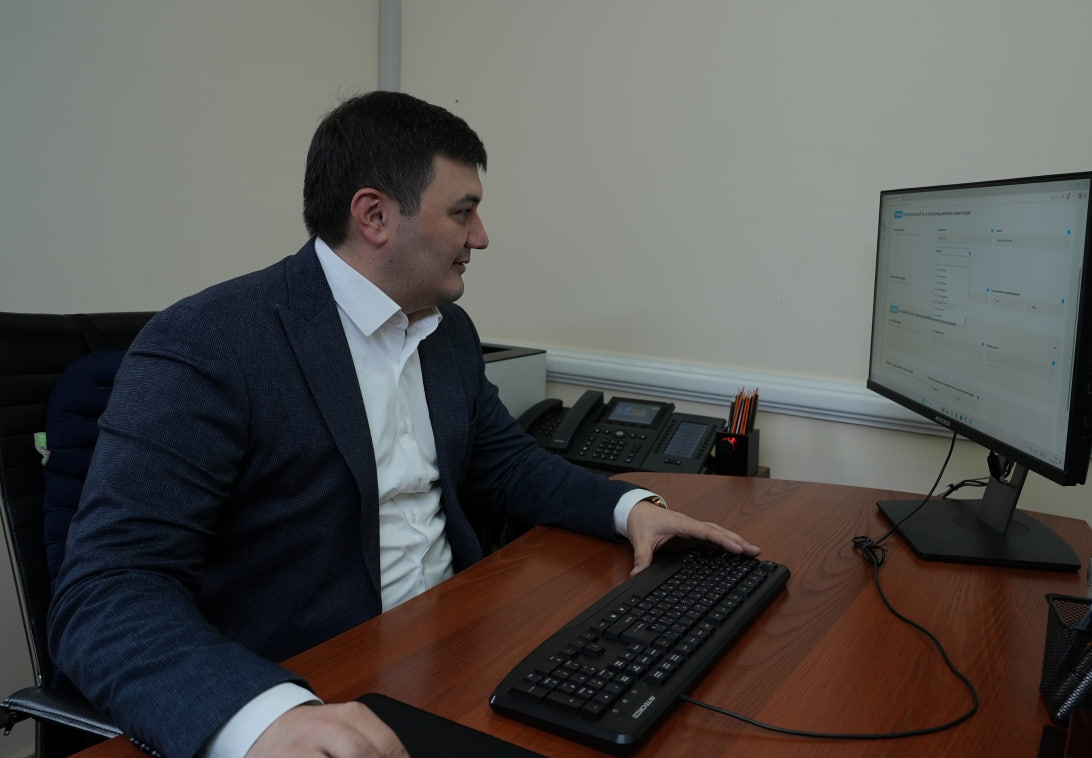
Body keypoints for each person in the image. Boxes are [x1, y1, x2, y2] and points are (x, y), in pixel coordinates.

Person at [48, 91, 760, 758]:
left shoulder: (446, 331)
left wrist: (630, 509)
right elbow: (106, 591)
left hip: (455, 649)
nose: (481, 237)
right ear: (375, 216)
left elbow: (505, 462)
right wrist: (263, 717)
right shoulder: (211, 343)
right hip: (316, 685)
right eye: (463, 212)